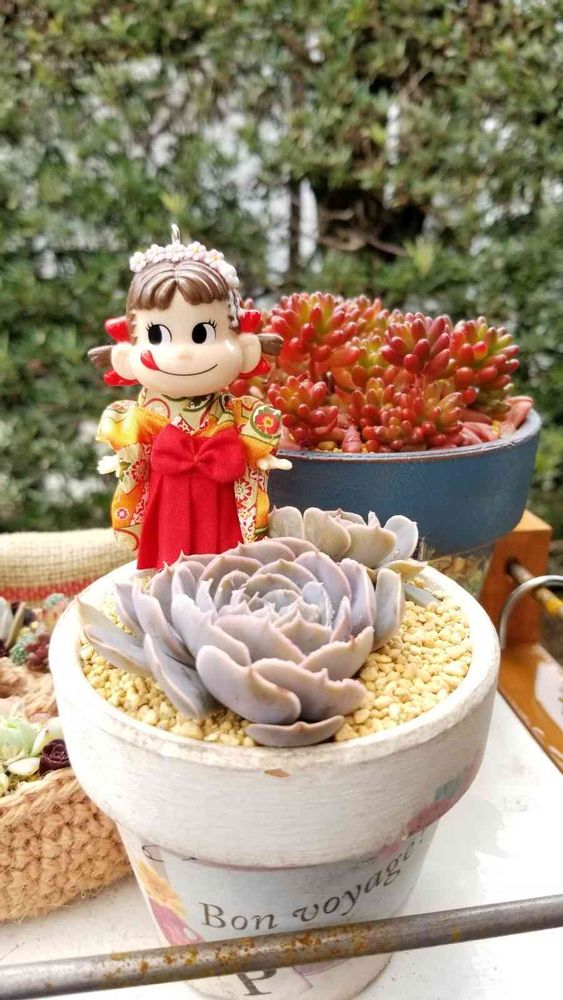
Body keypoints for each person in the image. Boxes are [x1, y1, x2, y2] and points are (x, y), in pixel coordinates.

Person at [97, 229, 290, 570]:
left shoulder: (234, 411)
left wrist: (259, 456)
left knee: (224, 552)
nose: (183, 353)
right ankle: (164, 580)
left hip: (220, 486)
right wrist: (125, 458)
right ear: (126, 351)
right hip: (166, 489)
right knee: (167, 549)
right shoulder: (145, 415)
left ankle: (226, 578)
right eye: (157, 335)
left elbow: (252, 436)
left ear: (244, 345)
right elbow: (136, 442)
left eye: (202, 334)